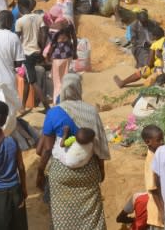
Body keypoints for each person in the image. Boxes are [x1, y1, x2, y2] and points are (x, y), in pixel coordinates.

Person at [36, 73, 111, 230]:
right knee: (92, 216)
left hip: (61, 174)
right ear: (79, 88)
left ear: (63, 89)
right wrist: (101, 170)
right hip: (88, 172)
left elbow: (48, 149)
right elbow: (98, 144)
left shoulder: (54, 113)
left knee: (62, 217)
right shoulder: (91, 111)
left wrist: (40, 172)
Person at [14, 0, 50, 109]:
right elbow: (44, 32)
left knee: (33, 82)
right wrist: (42, 49)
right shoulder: (39, 18)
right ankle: (23, 106)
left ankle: (47, 107)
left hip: (26, 55)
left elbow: (16, 40)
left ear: (20, 6)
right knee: (26, 79)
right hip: (36, 52)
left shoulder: (19, 21)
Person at [141, 124, 165, 230]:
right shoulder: (151, 161)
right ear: (148, 142)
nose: (162, 142)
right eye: (159, 140)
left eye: (162, 139)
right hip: (158, 210)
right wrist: (162, 211)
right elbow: (153, 189)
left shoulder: (158, 154)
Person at [46, 20, 76, 105]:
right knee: (65, 79)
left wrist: (48, 55)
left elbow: (52, 44)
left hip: (57, 56)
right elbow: (74, 39)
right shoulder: (69, 26)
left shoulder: (53, 29)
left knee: (57, 81)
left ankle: (57, 101)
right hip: (68, 54)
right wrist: (75, 52)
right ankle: (66, 99)